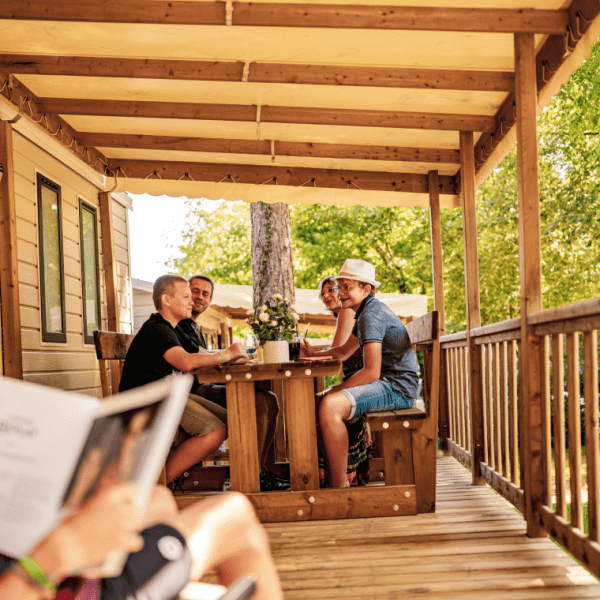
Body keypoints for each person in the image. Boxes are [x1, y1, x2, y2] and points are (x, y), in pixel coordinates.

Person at [0, 484, 284, 600]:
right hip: (50, 581)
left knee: (157, 498)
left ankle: (175, 583)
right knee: (234, 514)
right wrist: (65, 545)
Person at [118, 275, 250, 487]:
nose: (192, 301)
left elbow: (198, 354)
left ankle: (168, 478)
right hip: (147, 400)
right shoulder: (157, 328)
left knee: (232, 418)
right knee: (214, 431)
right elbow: (186, 363)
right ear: (167, 300)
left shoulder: (170, 328)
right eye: (187, 296)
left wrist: (234, 356)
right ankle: (154, 486)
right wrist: (227, 355)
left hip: (165, 394)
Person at [302, 259, 419, 488]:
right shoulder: (366, 310)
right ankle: (331, 476)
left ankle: (339, 487)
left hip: (397, 388)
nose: (341, 293)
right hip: (390, 383)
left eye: (348, 287)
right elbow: (345, 351)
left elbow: (371, 373)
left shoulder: (371, 316)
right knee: (320, 403)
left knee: (328, 405)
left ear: (366, 289)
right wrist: (311, 356)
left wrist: (333, 391)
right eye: (340, 287)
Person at [177, 274, 287, 492]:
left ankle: (258, 470)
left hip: (197, 388)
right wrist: (229, 356)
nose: (199, 297)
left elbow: (204, 355)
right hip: (190, 392)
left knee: (267, 399)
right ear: (185, 294)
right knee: (259, 402)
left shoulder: (193, 326)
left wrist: (234, 357)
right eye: (195, 291)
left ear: (210, 300)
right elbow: (195, 360)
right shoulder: (178, 323)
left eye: (205, 294)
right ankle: (251, 475)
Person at [313, 276, 370, 486]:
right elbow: (340, 351)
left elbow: (338, 353)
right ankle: (337, 472)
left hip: (365, 382)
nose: (327, 295)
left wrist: (309, 354)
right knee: (317, 402)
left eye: (332, 290)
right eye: (323, 293)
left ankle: (339, 477)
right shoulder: (349, 314)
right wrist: (312, 353)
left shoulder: (348, 312)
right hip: (360, 380)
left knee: (319, 403)